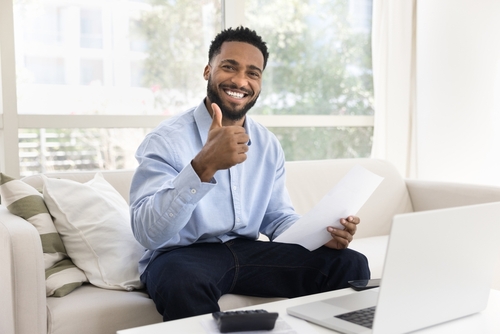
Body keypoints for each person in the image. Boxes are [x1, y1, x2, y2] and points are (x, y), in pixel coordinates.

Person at [129, 26, 370, 321]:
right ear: (208, 71)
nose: (240, 81)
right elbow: (148, 233)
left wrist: (323, 236)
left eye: (253, 73)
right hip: (182, 255)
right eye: (229, 67)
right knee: (183, 281)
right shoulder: (166, 139)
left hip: (248, 251)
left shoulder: (267, 144)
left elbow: (277, 217)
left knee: (349, 263)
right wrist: (202, 166)